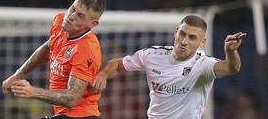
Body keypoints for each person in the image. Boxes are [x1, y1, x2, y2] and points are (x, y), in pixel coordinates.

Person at [91, 15, 246, 119]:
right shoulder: (152, 55)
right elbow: (117, 64)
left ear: (202, 43)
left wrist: (230, 52)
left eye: (192, 37)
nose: (184, 41)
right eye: (182, 34)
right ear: (175, 33)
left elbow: (231, 68)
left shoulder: (203, 64)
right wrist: (102, 75)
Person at [2, 0, 106, 119]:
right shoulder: (60, 22)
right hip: (63, 114)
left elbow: (72, 98)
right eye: (73, 9)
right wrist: (18, 74)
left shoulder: (86, 49)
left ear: (92, 24)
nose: (71, 17)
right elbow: (47, 48)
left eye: (80, 16)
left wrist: (33, 92)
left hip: (81, 116)